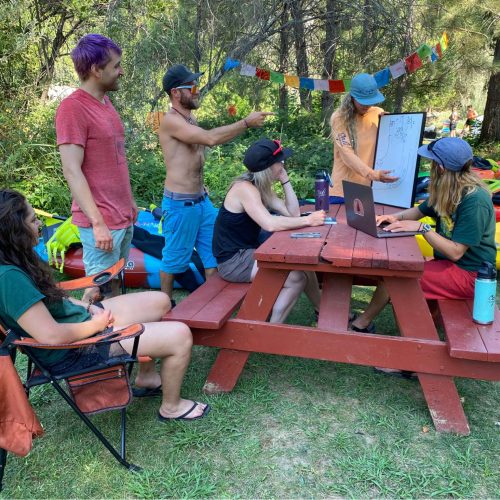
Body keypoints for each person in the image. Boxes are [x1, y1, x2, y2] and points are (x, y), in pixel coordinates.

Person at [0, 189, 209, 421]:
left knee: (160, 301)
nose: (39, 223)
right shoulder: (8, 278)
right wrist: (96, 324)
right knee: (180, 335)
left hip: (81, 323)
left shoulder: (17, 258)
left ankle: (147, 376)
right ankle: (172, 407)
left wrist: (86, 307)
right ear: (13, 231)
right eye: (32, 220)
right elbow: (51, 336)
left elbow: (49, 296)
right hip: (73, 349)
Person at [351, 137, 496, 334]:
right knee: (397, 273)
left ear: (441, 167)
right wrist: (389, 218)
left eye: (432, 161)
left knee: (400, 279)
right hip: (451, 266)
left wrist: (422, 229)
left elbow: (456, 253)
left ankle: (365, 325)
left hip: (470, 275)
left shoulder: (474, 200)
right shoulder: (449, 188)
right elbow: (419, 211)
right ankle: (372, 325)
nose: (430, 165)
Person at [158, 64, 273, 301]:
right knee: (173, 260)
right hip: (181, 206)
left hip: (202, 202)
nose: (197, 90)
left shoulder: (190, 118)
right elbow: (210, 139)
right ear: (175, 93)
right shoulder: (170, 121)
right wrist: (245, 123)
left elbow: (193, 155)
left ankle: (213, 305)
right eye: (192, 86)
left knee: (213, 257)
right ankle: (164, 304)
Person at [55, 34, 138, 303]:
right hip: (101, 221)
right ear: (95, 70)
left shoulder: (105, 103)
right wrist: (98, 223)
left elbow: (114, 160)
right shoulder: (72, 108)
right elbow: (72, 170)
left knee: (114, 285)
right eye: (115, 66)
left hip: (122, 216)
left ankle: (117, 341)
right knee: (96, 289)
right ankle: (88, 343)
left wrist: (130, 203)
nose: (121, 71)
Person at [212, 138, 326, 323]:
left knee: (304, 266)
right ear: (267, 167)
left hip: (249, 253)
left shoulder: (260, 187)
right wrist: (308, 220)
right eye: (279, 161)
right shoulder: (244, 189)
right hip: (233, 261)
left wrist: (285, 180)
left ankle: (320, 311)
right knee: (297, 277)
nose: (283, 163)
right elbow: (270, 224)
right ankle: (270, 329)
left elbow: (292, 213)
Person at [329, 73, 399, 202]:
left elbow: (386, 147)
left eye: (370, 101)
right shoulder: (340, 118)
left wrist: (390, 124)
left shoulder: (378, 113)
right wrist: (373, 174)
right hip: (342, 192)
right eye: (362, 101)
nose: (366, 105)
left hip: (370, 190)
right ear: (352, 97)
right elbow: (346, 153)